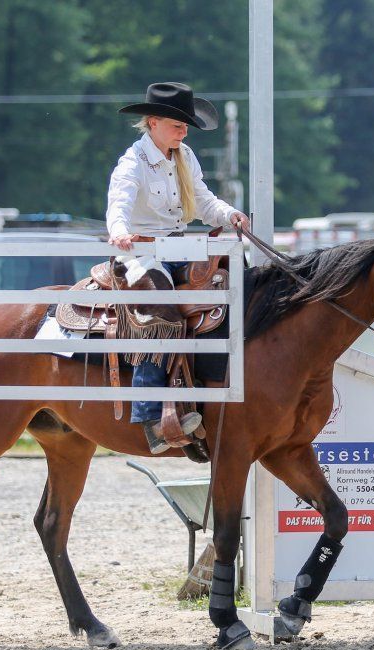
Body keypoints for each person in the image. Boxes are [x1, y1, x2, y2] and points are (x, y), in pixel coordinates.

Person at [106, 82, 249, 455]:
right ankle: (151, 416)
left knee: (235, 279)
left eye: (186, 126)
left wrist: (229, 214)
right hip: (139, 252)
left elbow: (203, 201)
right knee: (161, 312)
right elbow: (119, 203)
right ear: (153, 122)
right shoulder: (132, 162)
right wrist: (119, 232)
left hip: (178, 246)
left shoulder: (184, 156)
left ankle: (218, 388)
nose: (184, 132)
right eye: (177, 125)